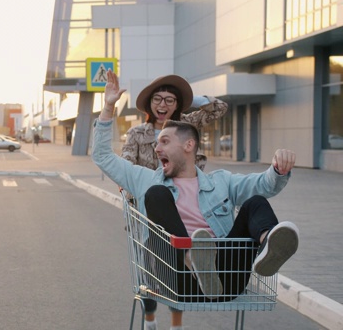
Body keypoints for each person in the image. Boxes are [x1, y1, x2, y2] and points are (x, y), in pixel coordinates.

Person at [93, 71, 299, 330]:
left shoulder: (221, 182)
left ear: (188, 145)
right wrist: (108, 106)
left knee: (255, 202)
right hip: (177, 278)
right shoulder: (146, 180)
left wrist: (279, 168)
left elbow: (263, 184)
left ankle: (268, 245)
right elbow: (102, 156)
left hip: (226, 280)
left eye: (164, 142)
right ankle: (192, 255)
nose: (157, 149)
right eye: (156, 143)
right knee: (157, 194)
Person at [119, 72, 227, 328]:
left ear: (178, 105)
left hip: (185, 208)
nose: (163, 105)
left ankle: (176, 323)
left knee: (180, 265)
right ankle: (150, 318)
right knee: (150, 269)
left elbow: (220, 107)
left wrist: (190, 100)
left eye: (170, 100)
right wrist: (125, 185)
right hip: (148, 209)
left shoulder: (187, 126)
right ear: (149, 104)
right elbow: (124, 164)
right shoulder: (137, 134)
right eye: (157, 99)